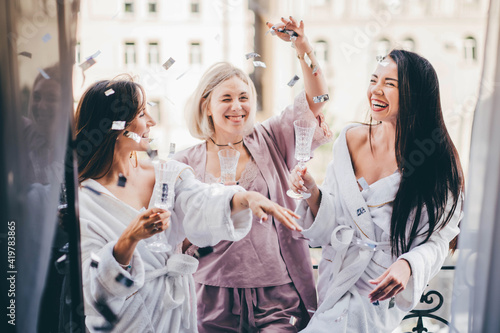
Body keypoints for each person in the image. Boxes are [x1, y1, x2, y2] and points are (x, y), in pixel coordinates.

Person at [76, 76, 301, 333]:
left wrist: (246, 198)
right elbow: (91, 290)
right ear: (114, 126)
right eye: (141, 113)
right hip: (126, 323)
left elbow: (202, 201)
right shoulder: (85, 200)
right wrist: (130, 239)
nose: (152, 121)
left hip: (174, 317)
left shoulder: (167, 174)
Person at [174, 17, 332, 332]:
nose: (237, 106)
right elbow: (174, 235)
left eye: (244, 97)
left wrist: (302, 46)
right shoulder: (184, 164)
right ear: (207, 105)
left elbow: (318, 100)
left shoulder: (272, 138)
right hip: (210, 294)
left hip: (277, 293)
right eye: (227, 98)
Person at [288, 49, 464, 332]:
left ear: (415, 93)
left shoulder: (436, 163)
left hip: (377, 290)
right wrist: (312, 192)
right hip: (335, 278)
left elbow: (440, 240)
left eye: (390, 84)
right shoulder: (350, 140)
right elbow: (336, 218)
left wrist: (408, 265)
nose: (376, 91)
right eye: (374, 80)